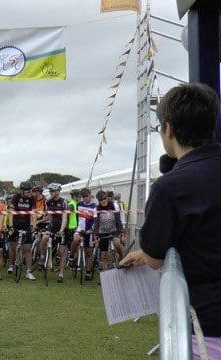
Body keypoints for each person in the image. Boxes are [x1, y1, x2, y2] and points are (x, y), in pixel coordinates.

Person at [120, 83, 221, 358]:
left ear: (169, 130)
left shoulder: (171, 187)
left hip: (210, 325)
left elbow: (155, 258)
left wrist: (144, 254)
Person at [7, 181, 37, 280]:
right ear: (22, 191)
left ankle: (28, 271)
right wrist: (10, 226)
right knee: (12, 247)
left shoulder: (32, 199)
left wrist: (34, 226)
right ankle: (11, 265)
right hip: (15, 224)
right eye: (28, 191)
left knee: (28, 249)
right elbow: (10, 212)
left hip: (26, 225)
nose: (29, 193)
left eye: (30, 191)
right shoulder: (15, 197)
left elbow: (33, 214)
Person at [39, 183, 68, 282]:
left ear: (59, 191)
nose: (53, 193)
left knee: (61, 251)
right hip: (52, 226)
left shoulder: (63, 202)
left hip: (62, 227)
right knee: (44, 239)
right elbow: (49, 216)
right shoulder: (49, 202)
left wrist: (61, 230)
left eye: (55, 191)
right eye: (51, 191)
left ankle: (61, 274)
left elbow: (64, 218)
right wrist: (40, 221)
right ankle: (42, 257)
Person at [92, 190, 124, 272]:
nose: (103, 201)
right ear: (98, 201)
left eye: (104, 198)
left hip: (114, 230)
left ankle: (121, 256)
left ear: (107, 198)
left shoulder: (114, 205)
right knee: (104, 255)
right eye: (100, 199)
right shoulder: (96, 208)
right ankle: (105, 274)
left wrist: (121, 232)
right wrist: (95, 235)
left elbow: (118, 220)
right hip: (102, 232)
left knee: (117, 243)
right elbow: (96, 223)